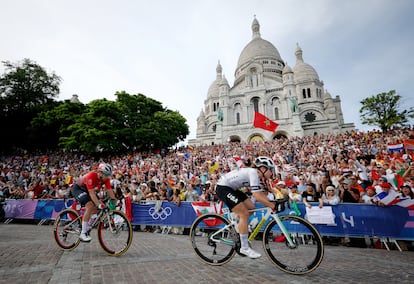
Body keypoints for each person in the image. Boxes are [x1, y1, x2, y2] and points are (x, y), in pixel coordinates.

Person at [215, 156, 282, 259]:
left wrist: (272, 202)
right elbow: (256, 196)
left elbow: (260, 194)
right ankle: (244, 247)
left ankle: (238, 228)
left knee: (251, 207)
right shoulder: (253, 173)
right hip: (223, 187)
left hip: (232, 188)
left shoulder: (258, 177)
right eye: (270, 170)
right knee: (244, 214)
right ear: (263, 169)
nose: (272, 173)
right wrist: (272, 205)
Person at [71, 163, 116, 242]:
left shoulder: (106, 179)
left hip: (88, 191)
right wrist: (98, 204)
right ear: (100, 173)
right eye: (106, 175)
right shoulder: (91, 176)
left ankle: (87, 225)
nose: (108, 177)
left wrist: (114, 200)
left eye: (109, 175)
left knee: (100, 207)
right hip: (78, 189)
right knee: (90, 205)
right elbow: (91, 193)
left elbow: (109, 190)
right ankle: (83, 233)